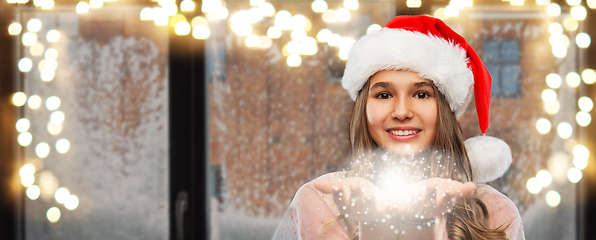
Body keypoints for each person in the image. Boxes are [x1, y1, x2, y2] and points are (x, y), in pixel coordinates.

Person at [272, 15, 525, 240]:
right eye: (383, 95)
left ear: (445, 111)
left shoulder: (494, 210)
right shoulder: (322, 203)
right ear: (364, 107)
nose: (402, 112)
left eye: (422, 94)